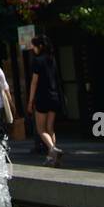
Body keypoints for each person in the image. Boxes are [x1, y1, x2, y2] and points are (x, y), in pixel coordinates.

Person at [27, 34, 64, 166]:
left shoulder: (37, 61)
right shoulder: (52, 59)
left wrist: (30, 101)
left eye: (34, 46)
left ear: (40, 46)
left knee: (41, 130)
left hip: (42, 97)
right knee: (50, 128)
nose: (33, 49)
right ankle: (52, 158)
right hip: (54, 96)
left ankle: (53, 149)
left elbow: (34, 82)